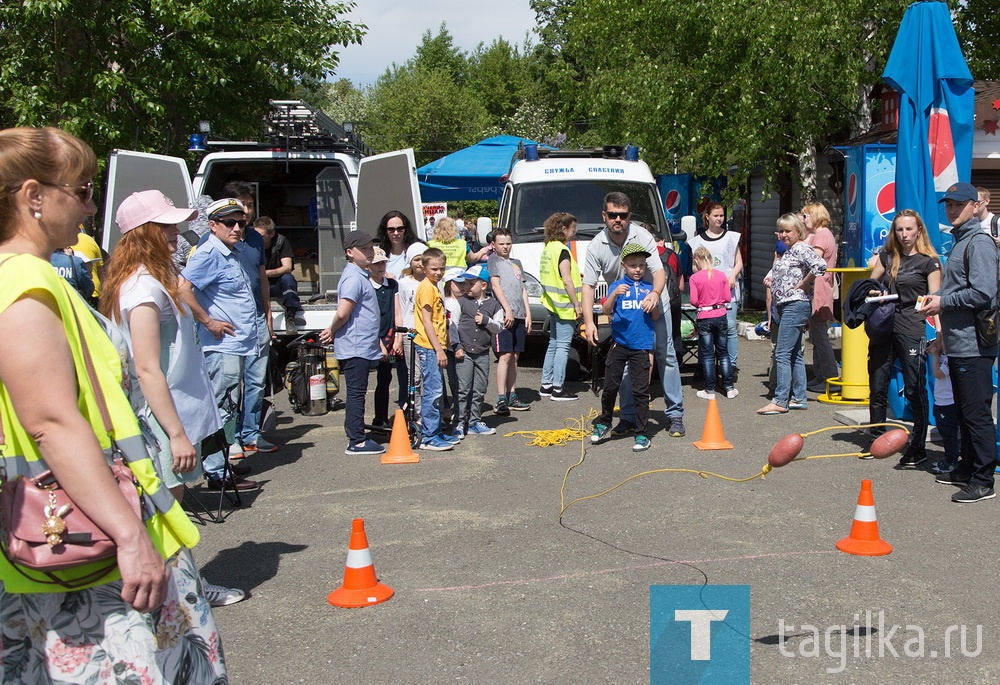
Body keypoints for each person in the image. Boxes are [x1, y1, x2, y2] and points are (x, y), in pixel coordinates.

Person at [0, 126, 226, 682]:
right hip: (86, 538)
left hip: (68, 528)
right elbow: (52, 422)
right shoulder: (27, 283)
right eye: (81, 190)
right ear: (34, 197)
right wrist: (130, 536)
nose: (90, 206)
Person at [101, 189, 248, 607]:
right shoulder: (143, 291)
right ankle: (184, 593)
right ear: (144, 233)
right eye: (166, 227)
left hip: (168, 417)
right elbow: (147, 368)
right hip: (160, 421)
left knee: (166, 514)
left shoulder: (150, 282)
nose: (176, 234)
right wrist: (177, 434)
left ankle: (181, 589)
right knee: (167, 513)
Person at [921, 182, 1000, 503]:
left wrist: (943, 302)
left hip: (974, 343)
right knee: (967, 412)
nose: (952, 210)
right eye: (948, 205)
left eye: (959, 204)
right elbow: (963, 288)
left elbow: (984, 293)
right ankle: (967, 468)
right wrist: (936, 297)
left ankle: (983, 480)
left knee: (977, 413)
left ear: (975, 206)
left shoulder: (978, 242)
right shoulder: (962, 240)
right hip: (959, 341)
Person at [582, 192, 686, 437]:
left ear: (629, 216)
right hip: (626, 308)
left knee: (665, 354)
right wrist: (589, 322)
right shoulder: (596, 245)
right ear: (604, 216)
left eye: (623, 215)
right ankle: (628, 417)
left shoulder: (642, 235)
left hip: (654, 301)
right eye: (612, 215)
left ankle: (675, 414)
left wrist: (655, 293)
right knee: (628, 359)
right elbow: (587, 286)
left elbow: (659, 272)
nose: (618, 219)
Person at [179, 198, 266, 490]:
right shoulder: (209, 254)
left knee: (229, 405)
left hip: (237, 344)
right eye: (230, 223)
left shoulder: (233, 251)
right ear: (213, 226)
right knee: (222, 407)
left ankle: (222, 464)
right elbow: (183, 289)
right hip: (222, 346)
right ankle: (215, 471)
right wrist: (208, 321)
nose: (238, 228)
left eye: (241, 222)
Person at [867, 209, 941, 467]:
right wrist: (873, 290)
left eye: (909, 229)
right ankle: (875, 437)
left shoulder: (929, 261)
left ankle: (917, 446)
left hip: (913, 328)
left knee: (913, 387)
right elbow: (869, 284)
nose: (904, 234)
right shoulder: (888, 256)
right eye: (899, 229)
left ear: (918, 230)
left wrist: (939, 336)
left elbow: (935, 301)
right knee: (878, 383)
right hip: (884, 327)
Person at [218, 181, 276, 457]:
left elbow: (261, 278)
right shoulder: (216, 241)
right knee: (231, 383)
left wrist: (267, 313)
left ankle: (251, 433)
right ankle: (230, 439)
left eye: (250, 205)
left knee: (256, 380)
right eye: (242, 205)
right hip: (230, 320)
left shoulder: (254, 237)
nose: (248, 211)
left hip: (255, 316)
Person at [318, 230, 386, 455]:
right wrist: (332, 329)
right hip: (355, 345)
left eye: (370, 247)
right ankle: (356, 440)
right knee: (357, 392)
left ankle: (356, 435)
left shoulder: (361, 275)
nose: (370, 252)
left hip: (363, 344)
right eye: (364, 248)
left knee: (358, 390)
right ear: (349, 252)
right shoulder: (353, 277)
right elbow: (343, 312)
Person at [590, 242, 658, 452]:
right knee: (610, 386)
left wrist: (652, 303)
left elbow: (655, 317)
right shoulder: (617, 286)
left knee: (640, 391)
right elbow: (605, 311)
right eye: (633, 265)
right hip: (619, 344)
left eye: (641, 265)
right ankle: (604, 422)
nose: (637, 269)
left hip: (641, 346)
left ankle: (642, 433)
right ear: (623, 265)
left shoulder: (649, 288)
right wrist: (614, 295)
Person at [757, 214, 827, 415]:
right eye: (781, 230)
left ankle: (780, 399)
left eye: (788, 231)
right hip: (785, 305)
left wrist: (806, 282)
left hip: (795, 304)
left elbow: (820, 265)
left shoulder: (802, 248)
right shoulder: (788, 252)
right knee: (795, 353)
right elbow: (782, 272)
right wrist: (771, 278)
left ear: (798, 231)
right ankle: (798, 397)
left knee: (782, 352)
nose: (783, 234)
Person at [688, 202, 743, 380]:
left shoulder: (731, 237)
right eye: (716, 215)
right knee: (706, 329)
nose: (719, 219)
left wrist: (733, 276)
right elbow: (695, 267)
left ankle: (731, 364)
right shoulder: (698, 240)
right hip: (707, 294)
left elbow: (739, 262)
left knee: (730, 327)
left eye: (721, 216)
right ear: (707, 217)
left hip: (728, 290)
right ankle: (705, 364)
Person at [412, 248, 455, 451]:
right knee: (433, 391)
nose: (438, 272)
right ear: (425, 267)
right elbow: (427, 321)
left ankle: (435, 431)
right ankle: (429, 436)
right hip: (429, 346)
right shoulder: (427, 288)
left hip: (435, 345)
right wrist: (438, 349)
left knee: (437, 389)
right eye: (434, 269)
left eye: (441, 268)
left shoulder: (436, 286)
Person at [539, 214, 583, 402]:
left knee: (553, 344)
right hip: (564, 305)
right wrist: (577, 304)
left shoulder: (548, 248)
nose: (574, 233)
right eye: (573, 229)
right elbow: (566, 280)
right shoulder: (563, 250)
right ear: (564, 229)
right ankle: (558, 389)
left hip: (552, 303)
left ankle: (546, 385)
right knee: (563, 346)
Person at [456, 264, 504, 435]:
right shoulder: (461, 302)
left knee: (480, 388)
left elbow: (499, 327)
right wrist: (457, 346)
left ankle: (475, 421)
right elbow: (453, 325)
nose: (466, 287)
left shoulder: (494, 305)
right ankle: (460, 422)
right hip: (465, 352)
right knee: (463, 389)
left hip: (483, 352)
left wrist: (486, 320)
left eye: (471, 283)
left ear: (483, 285)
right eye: (466, 283)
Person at [488, 227, 533, 410]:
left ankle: (511, 394)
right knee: (504, 355)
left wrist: (527, 313)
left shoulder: (517, 263)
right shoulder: (493, 260)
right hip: (504, 314)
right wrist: (507, 309)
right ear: (494, 245)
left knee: (515, 356)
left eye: (508, 243)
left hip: (519, 314)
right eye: (501, 244)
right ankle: (500, 397)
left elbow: (523, 289)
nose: (505, 247)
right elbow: (496, 286)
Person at [688, 246, 737, 400]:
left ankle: (710, 390)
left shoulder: (695, 278)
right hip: (721, 315)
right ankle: (729, 387)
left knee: (707, 355)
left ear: (696, 260)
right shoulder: (721, 275)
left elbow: (694, 301)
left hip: (705, 318)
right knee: (723, 353)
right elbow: (728, 298)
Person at [801, 202, 839, 392]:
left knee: (820, 337)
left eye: (805, 216)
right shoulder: (820, 235)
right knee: (816, 336)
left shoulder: (822, 235)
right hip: (819, 288)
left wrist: (804, 282)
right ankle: (820, 376)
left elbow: (813, 263)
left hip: (818, 290)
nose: (803, 219)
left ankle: (830, 378)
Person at [368, 246, 406, 429]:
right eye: (376, 263)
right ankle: (376, 419)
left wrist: (398, 337)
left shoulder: (392, 284)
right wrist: (378, 343)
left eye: (383, 262)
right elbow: (367, 317)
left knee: (387, 378)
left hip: (390, 336)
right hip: (373, 337)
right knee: (367, 380)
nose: (381, 266)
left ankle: (386, 418)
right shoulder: (366, 285)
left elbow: (397, 311)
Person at [254, 216, 304, 335]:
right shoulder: (251, 244)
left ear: (271, 234)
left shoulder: (281, 241)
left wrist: (265, 273)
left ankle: (290, 318)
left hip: (275, 285)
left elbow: (287, 267)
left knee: (288, 279)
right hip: (257, 284)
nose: (256, 238)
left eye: (261, 235)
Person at [926, 337, 960, 476]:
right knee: (944, 431)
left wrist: (935, 356)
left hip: (948, 403)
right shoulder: (944, 356)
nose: (940, 343)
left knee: (949, 434)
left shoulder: (950, 360)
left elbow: (938, 374)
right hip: (940, 401)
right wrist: (934, 350)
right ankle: (949, 458)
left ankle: (952, 461)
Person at [441, 267, 467, 440]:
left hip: (456, 347)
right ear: (449, 285)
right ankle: (457, 415)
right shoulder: (450, 302)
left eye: (464, 283)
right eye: (458, 283)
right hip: (452, 349)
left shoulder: (461, 301)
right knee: (456, 383)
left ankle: (458, 413)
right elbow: (451, 326)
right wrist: (456, 345)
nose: (462, 286)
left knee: (457, 383)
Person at [377, 210, 427, 280]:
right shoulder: (379, 253)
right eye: (391, 229)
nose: (396, 233)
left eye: (400, 229)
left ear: (406, 230)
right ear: (385, 231)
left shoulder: (418, 249)